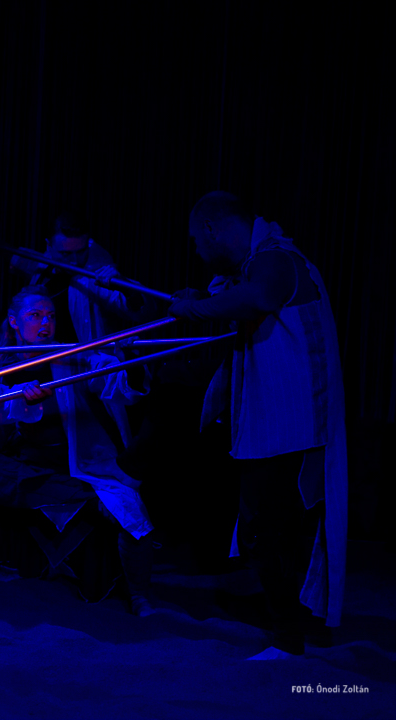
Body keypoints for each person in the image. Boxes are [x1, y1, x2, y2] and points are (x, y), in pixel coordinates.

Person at [169, 192, 347, 659]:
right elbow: (239, 298)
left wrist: (194, 310)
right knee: (264, 528)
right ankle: (292, 623)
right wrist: (199, 300)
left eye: (197, 240)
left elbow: (259, 297)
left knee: (272, 530)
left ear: (212, 229)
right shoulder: (257, 262)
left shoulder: (276, 258)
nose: (198, 251)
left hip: (296, 427)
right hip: (276, 427)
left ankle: (289, 637)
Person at [0, 287, 157, 615]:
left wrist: (129, 361)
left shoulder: (76, 356)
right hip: (20, 464)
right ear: (14, 322)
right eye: (35, 315)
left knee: (130, 512)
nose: (45, 323)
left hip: (74, 466)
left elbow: (116, 383)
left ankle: (139, 596)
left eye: (51, 316)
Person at [0, 213, 146, 344]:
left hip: (80, 366)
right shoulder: (45, 266)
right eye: (66, 254)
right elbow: (24, 260)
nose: (74, 261)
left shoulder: (95, 277)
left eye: (81, 251)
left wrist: (125, 287)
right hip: (41, 360)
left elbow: (140, 311)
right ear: (49, 246)